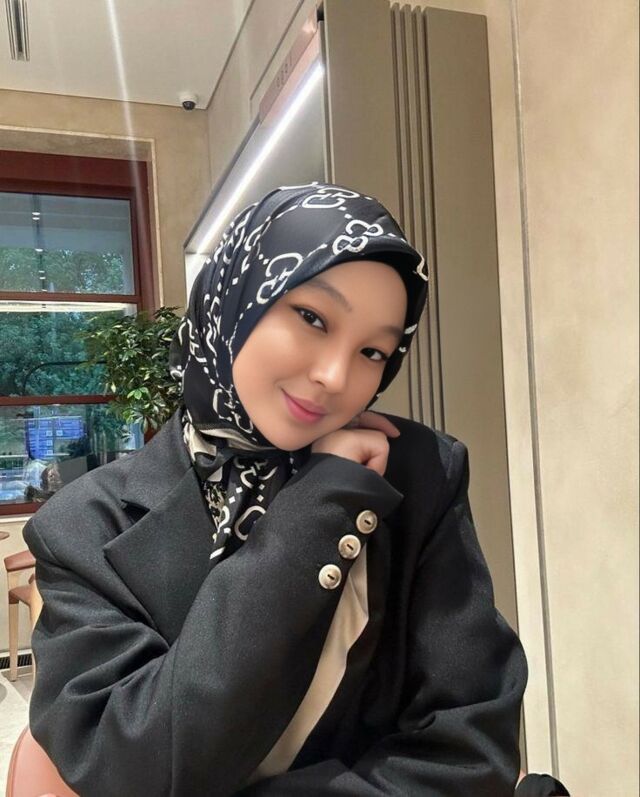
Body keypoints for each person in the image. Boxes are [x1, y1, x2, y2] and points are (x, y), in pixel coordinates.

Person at [24, 182, 535, 796]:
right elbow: (130, 768)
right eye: (312, 318)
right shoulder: (85, 525)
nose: (336, 376)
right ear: (234, 298)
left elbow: (471, 743)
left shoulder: (419, 473)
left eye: (373, 351)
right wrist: (316, 511)